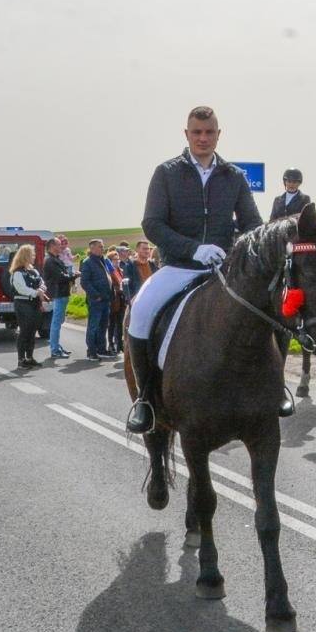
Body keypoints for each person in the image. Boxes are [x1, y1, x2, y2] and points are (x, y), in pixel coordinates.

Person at [126, 105, 265, 434]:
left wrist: (233, 251)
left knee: (265, 310)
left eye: (209, 132)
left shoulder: (234, 177)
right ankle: (145, 398)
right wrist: (192, 249)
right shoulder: (167, 173)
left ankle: (273, 390)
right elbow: (152, 223)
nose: (203, 138)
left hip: (223, 271)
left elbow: (253, 225)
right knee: (141, 311)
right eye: (197, 132)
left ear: (219, 134)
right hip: (178, 267)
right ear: (187, 135)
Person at [9, 244, 48, 369]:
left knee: (32, 331)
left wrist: (41, 289)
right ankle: (21, 359)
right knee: (24, 331)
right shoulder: (17, 273)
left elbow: (42, 282)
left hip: (35, 303)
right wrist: (37, 292)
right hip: (23, 303)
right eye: (32, 254)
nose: (34, 257)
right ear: (25, 256)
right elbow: (21, 289)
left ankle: (29, 357)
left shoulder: (33, 271)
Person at [42, 237, 77, 359]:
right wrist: (74, 275)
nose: (61, 246)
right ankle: (55, 349)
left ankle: (57, 346)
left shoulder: (55, 259)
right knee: (56, 323)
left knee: (58, 322)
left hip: (62, 294)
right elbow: (61, 277)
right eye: (58, 244)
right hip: (58, 294)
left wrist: (70, 275)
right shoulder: (50, 261)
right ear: (52, 246)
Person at [80, 239, 113, 361]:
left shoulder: (102, 260)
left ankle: (101, 349)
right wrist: (96, 295)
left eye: (103, 246)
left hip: (106, 299)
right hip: (96, 300)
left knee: (103, 326)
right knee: (93, 326)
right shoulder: (88, 262)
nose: (102, 249)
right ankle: (91, 352)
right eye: (100, 247)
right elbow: (85, 282)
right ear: (92, 248)